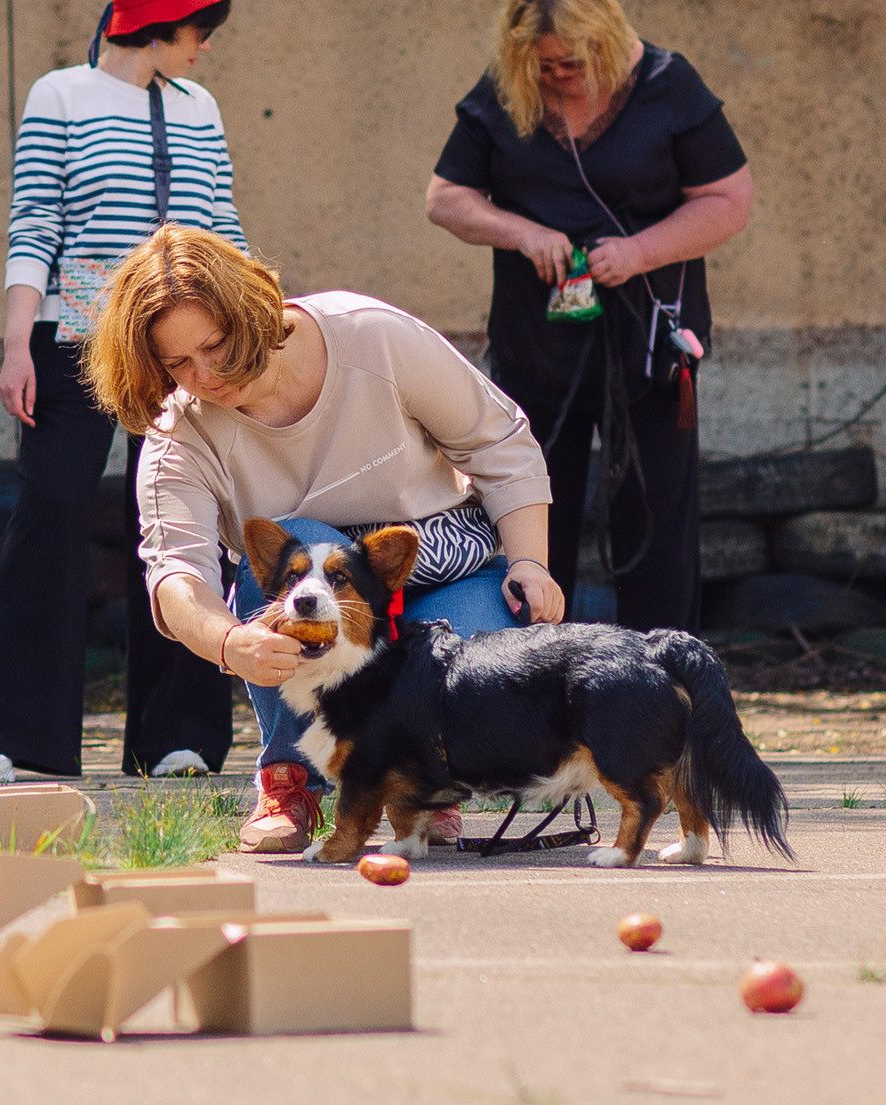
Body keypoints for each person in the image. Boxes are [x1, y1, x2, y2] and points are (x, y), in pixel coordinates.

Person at [87, 224, 565, 853]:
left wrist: (530, 563)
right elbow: (178, 574)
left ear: (251, 311)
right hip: (313, 605)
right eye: (177, 363)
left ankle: (421, 784)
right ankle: (291, 779)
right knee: (296, 543)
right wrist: (231, 643)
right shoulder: (178, 436)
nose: (205, 374)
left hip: (444, 573)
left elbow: (500, 444)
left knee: (471, 659)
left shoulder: (371, 336)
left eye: (216, 344)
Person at [0, 0, 244, 783]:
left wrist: (253, 330)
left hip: (184, 350)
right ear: (158, 24)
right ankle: (16, 736)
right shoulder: (62, 95)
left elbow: (222, 224)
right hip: (76, 338)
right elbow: (35, 221)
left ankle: (177, 737)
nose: (205, 44)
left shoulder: (200, 107)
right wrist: (18, 341)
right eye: (198, 26)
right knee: (50, 515)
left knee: (182, 523)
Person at [425, 0, 752, 632]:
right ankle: (529, 673)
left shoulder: (669, 85)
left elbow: (729, 200)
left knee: (656, 521)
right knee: (530, 513)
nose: (556, 77)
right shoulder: (505, 91)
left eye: (569, 63)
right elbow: (445, 198)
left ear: (604, 41)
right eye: (541, 65)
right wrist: (522, 233)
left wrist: (640, 252)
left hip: (649, 346)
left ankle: (663, 674)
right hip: (536, 346)